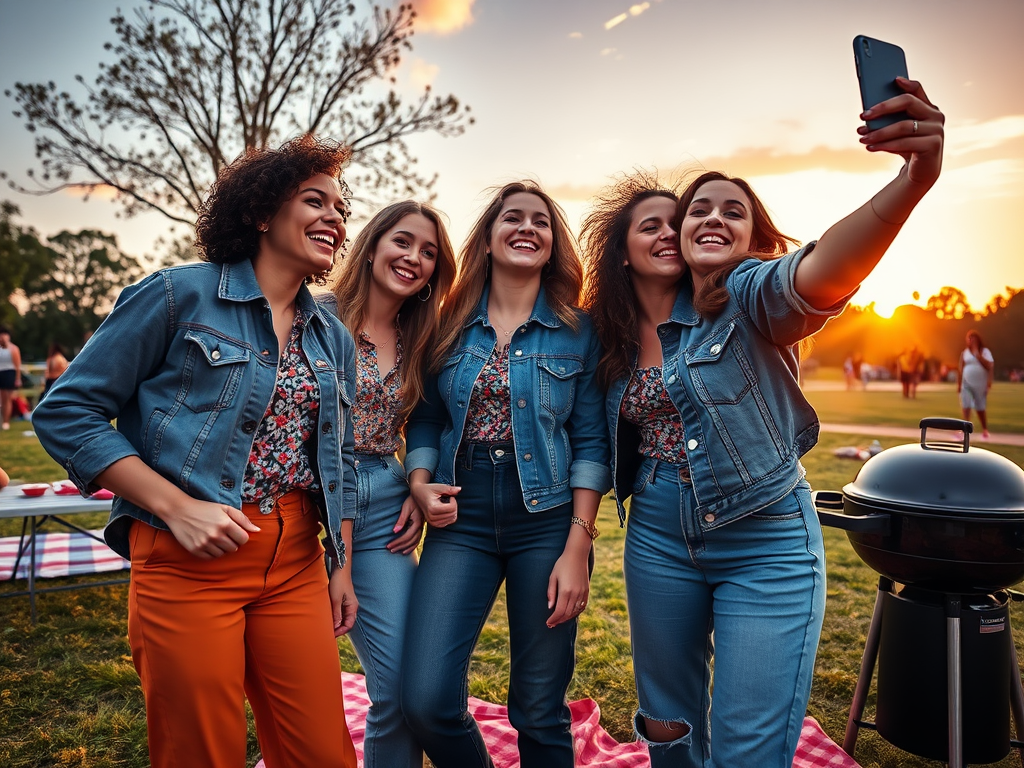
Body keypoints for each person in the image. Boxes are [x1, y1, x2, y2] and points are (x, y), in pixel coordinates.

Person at [581, 77, 944, 767]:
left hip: (765, 540)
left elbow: (820, 273)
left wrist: (913, 179)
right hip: (656, 534)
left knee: (749, 750)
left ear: (752, 238)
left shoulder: (750, 298)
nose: (711, 218)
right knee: (666, 727)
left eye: (733, 211)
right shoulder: (613, 335)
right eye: (697, 211)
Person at [33, 135, 360, 768]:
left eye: (342, 210)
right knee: (201, 754)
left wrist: (338, 563)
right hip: (185, 562)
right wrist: (178, 507)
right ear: (261, 211)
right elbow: (67, 413)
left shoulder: (332, 335)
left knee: (323, 753)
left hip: (293, 561)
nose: (335, 219)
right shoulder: (175, 295)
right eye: (315, 200)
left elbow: (337, 459)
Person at [400, 181, 611, 768]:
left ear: (552, 243)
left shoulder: (580, 329)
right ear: (489, 240)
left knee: (539, 709)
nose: (526, 228)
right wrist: (419, 482)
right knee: (426, 699)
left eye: (540, 221)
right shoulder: (446, 324)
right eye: (511, 218)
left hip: (546, 519)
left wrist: (578, 545)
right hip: (459, 515)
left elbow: (593, 440)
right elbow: (426, 418)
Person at [328, 201, 456, 768]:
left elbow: (425, 420)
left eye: (428, 252)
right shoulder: (317, 314)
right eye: (403, 242)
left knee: (403, 685)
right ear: (374, 243)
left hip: (384, 503)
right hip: (312, 500)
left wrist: (413, 481)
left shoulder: (422, 333)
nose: (413, 258)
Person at [959, 329, 994, 439]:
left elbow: (989, 366)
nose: (971, 340)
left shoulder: (985, 351)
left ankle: (985, 429)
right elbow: (960, 368)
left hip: (980, 384)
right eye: (969, 338)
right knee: (966, 404)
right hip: (966, 383)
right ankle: (964, 429)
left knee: (980, 406)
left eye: (973, 338)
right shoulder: (965, 353)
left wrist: (977, 355)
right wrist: (958, 384)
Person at [0, 325, 22, 430]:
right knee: (2, 399)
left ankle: (6, 421)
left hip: (9, 373)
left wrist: (17, 378)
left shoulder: (13, 348)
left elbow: (17, 365)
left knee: (7, 399)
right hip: (1, 372)